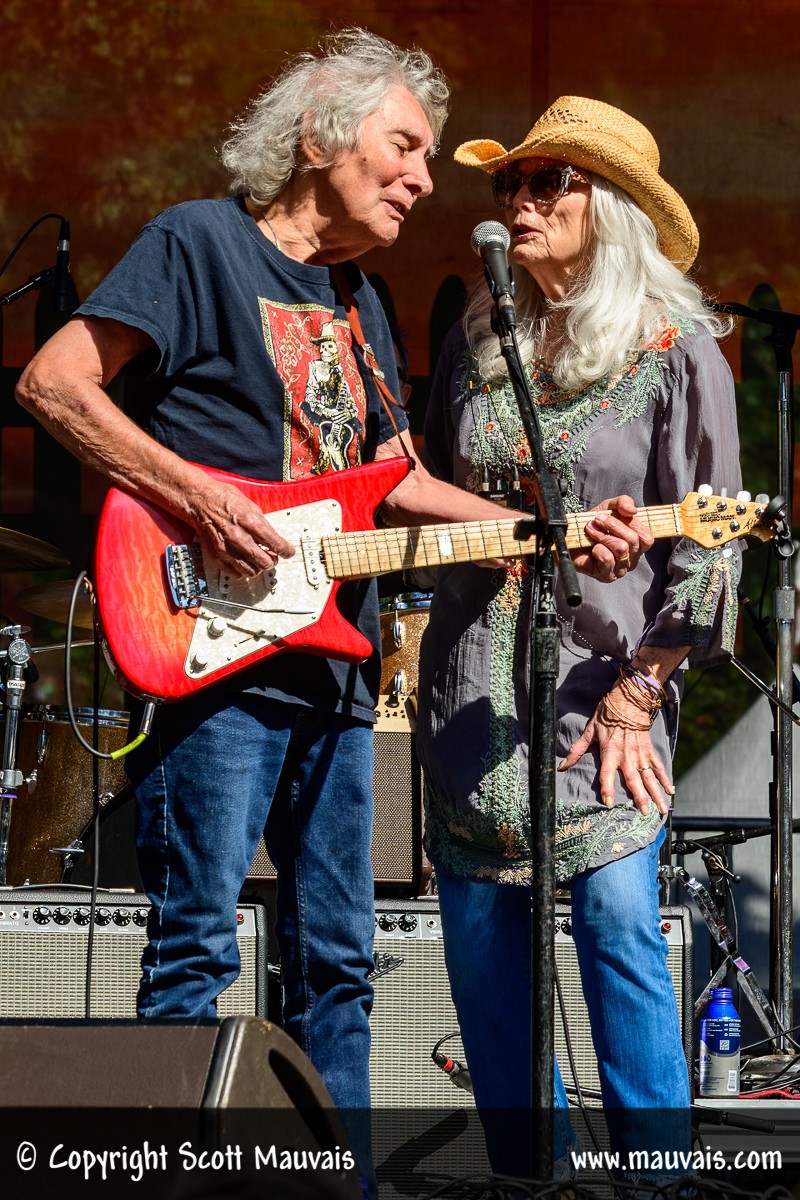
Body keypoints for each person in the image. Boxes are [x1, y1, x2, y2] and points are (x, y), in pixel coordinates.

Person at [16, 43, 648, 1191]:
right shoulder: (195, 244)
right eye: (403, 146)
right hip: (210, 653)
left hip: (332, 670)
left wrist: (549, 532)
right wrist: (192, 491)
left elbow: (390, 481)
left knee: (339, 961)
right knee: (197, 941)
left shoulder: (360, 301)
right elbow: (54, 383)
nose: (421, 177)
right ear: (318, 137)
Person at [416, 96, 742, 1182]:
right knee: (478, 940)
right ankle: (525, 1170)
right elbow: (426, 495)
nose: (517, 201)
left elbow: (711, 546)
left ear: (614, 211)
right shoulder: (473, 334)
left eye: (547, 183)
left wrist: (638, 694)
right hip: (471, 677)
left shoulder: (676, 350)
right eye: (507, 183)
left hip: (603, 689)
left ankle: (658, 1175)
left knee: (611, 921)